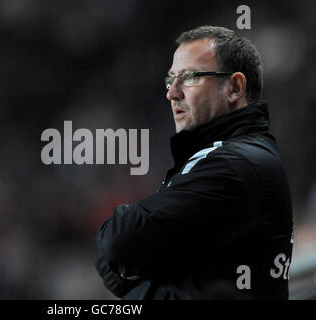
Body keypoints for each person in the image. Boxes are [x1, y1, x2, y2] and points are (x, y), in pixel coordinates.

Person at [95, 26, 294, 299]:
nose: (171, 93)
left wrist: (129, 257)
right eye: (170, 80)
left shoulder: (235, 165)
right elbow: (117, 259)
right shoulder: (220, 158)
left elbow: (119, 240)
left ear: (235, 88)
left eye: (188, 78)